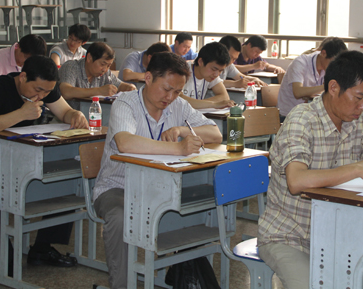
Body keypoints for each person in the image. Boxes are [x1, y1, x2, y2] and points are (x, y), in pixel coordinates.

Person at [257, 51, 363, 289]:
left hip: (341, 234)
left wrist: (360, 169)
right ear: (333, 87)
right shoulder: (302, 120)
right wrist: (357, 169)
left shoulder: (358, 119)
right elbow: (297, 181)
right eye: (358, 97)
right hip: (291, 236)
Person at [92, 52, 222, 289]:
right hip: (119, 187)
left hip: (161, 188)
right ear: (149, 78)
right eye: (167, 89)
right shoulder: (126, 103)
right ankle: (121, 285)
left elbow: (215, 133)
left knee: (195, 209)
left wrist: (183, 130)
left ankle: (179, 271)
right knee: (120, 217)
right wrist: (177, 148)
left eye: (178, 91)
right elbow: (125, 143)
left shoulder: (179, 106)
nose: (170, 97)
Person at [0, 56, 89, 275]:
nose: (42, 96)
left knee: (63, 186)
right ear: (23, 76)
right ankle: (5, 256)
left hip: (16, 160)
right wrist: (20, 114)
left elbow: (64, 111)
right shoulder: (0, 87)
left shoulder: (45, 87)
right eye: (38, 90)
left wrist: (75, 114)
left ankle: (42, 248)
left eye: (47, 92)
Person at [277, 37, 346, 117]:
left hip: (310, 114)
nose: (334, 67)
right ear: (323, 53)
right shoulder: (300, 62)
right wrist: (327, 86)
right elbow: (298, 92)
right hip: (288, 115)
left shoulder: (327, 66)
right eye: (333, 62)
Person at [59, 42, 137, 110]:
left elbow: (120, 85)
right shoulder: (71, 67)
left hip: (94, 117)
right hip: (68, 119)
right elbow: (66, 92)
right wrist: (99, 91)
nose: (105, 69)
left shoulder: (105, 73)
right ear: (89, 58)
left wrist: (129, 87)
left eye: (108, 66)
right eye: (102, 64)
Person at [180, 42, 235, 110]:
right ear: (200, 62)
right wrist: (214, 104)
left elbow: (224, 97)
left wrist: (198, 104)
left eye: (220, 71)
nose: (216, 74)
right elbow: (179, 99)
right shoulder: (181, 71)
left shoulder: (211, 75)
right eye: (214, 69)